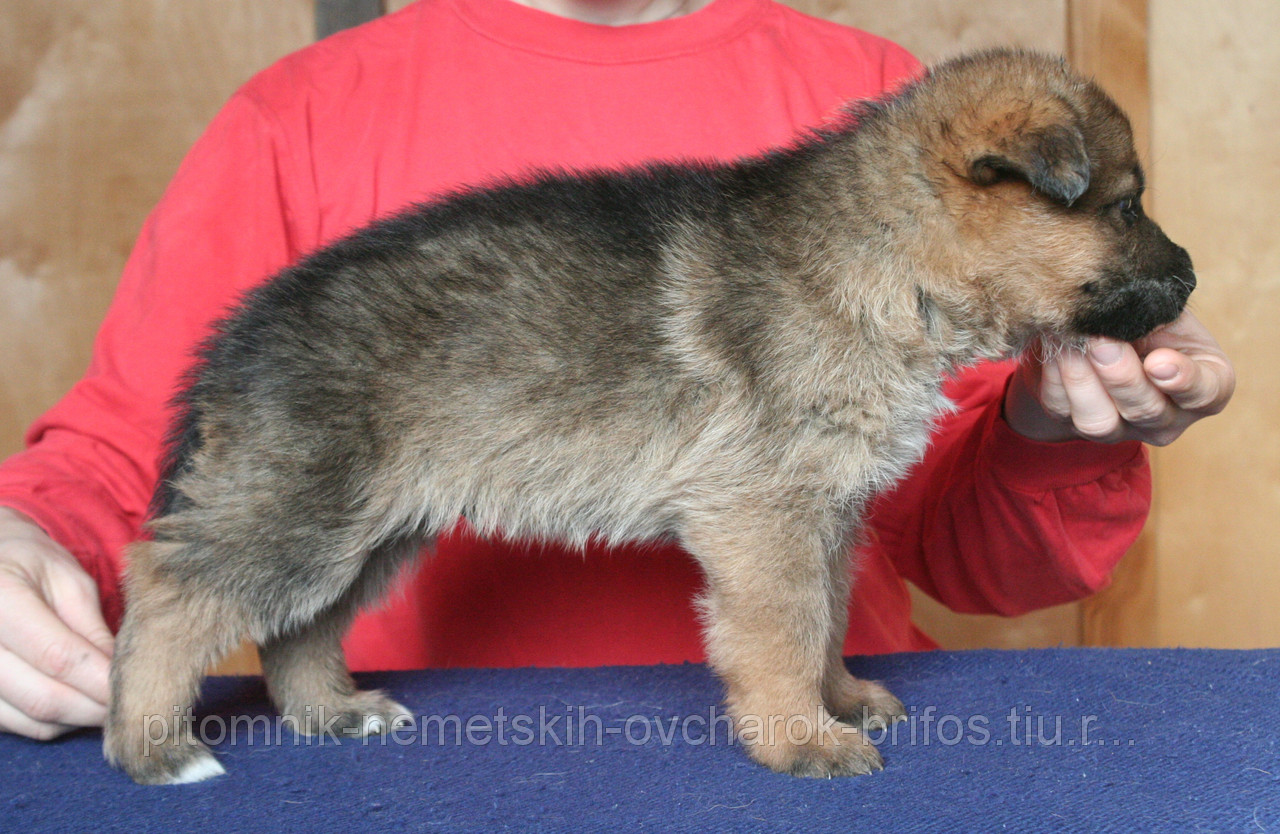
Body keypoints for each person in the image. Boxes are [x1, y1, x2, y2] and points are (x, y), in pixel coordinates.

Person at [0, 0, 1234, 742]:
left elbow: (951, 532)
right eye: (1108, 212)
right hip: (438, 769)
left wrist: (1055, 431)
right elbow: (143, 448)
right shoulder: (302, 114)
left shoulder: (872, 105)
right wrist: (24, 534)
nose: (1133, 245)